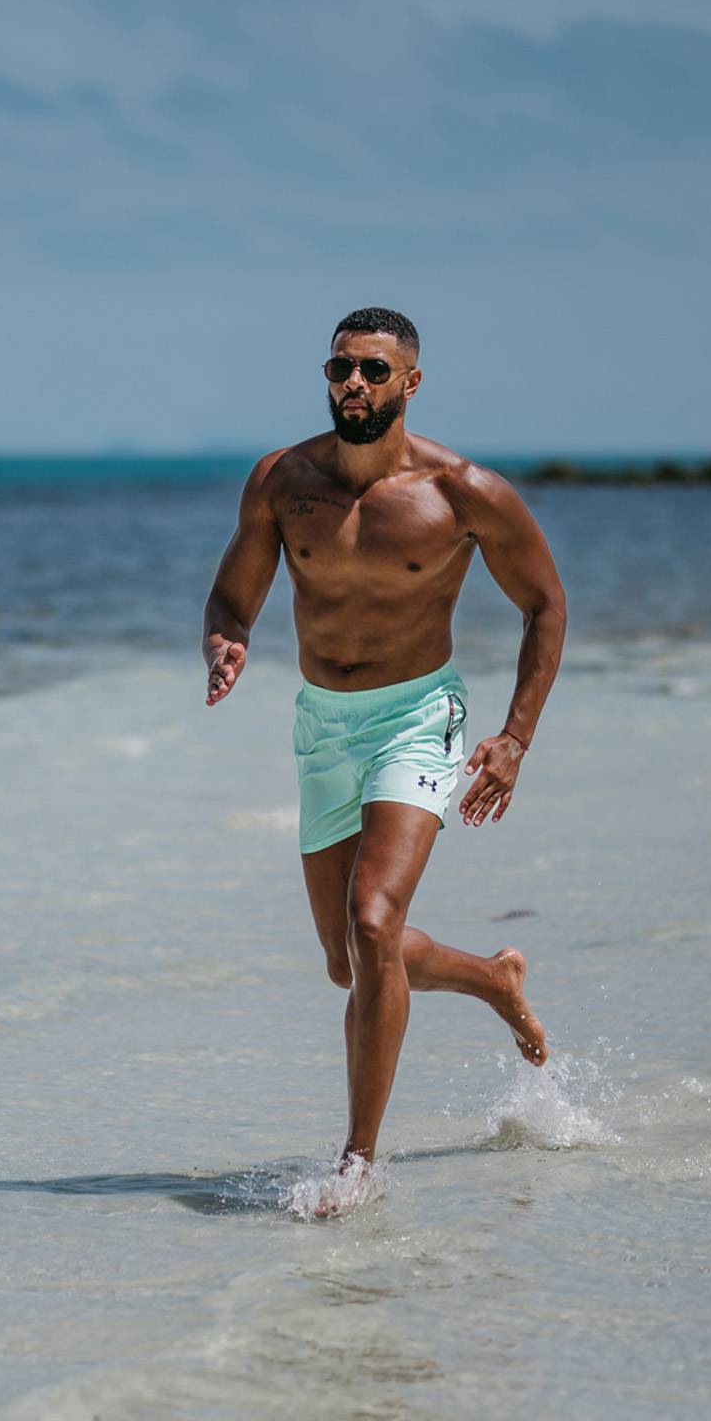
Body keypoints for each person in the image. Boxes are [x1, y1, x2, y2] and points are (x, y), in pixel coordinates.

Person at [200, 306, 567, 1203]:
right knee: (349, 961)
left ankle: (357, 1164)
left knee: (373, 924)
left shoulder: (462, 491)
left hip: (417, 716)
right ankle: (493, 979)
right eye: (340, 369)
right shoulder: (282, 480)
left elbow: (545, 605)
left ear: (410, 381)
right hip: (323, 722)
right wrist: (226, 642)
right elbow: (231, 598)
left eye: (372, 369)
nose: (353, 384)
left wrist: (515, 738)